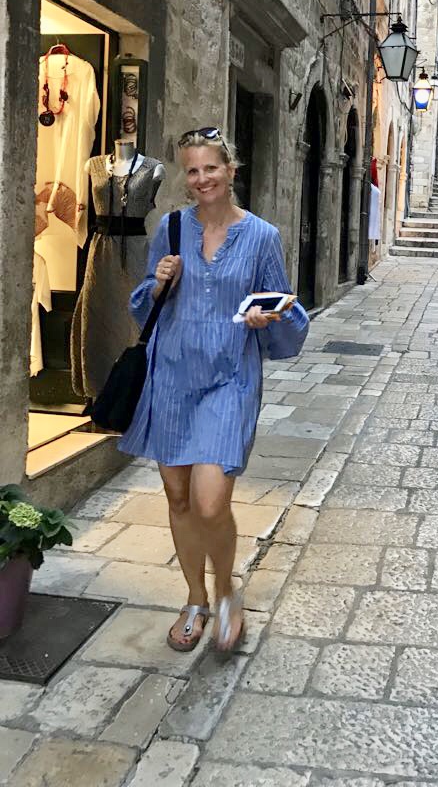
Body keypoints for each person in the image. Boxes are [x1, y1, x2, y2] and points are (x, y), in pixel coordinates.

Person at [119, 127, 309, 653]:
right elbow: (144, 304)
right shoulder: (172, 228)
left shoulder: (262, 236)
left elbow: (287, 309)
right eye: (193, 170)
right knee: (178, 497)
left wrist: (267, 317)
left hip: (229, 378)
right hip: (172, 377)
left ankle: (227, 591)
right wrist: (159, 282)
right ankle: (195, 598)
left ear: (231, 170)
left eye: (211, 168)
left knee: (209, 502)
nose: (202, 179)